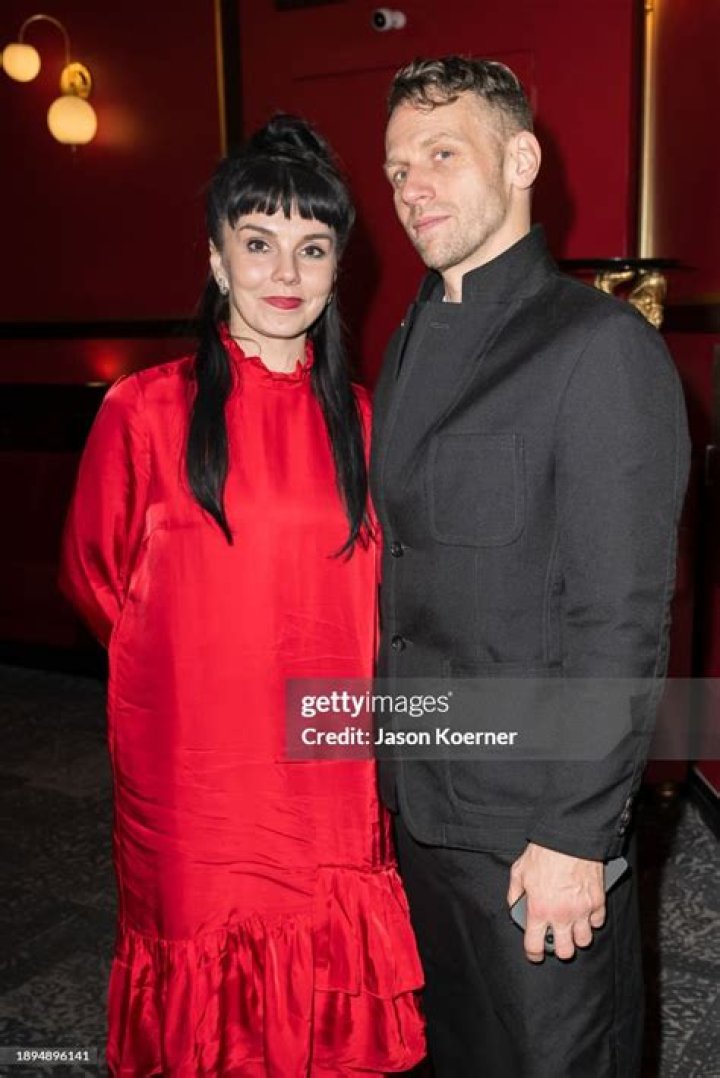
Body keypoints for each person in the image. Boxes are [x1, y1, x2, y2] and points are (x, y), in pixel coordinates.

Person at [60, 115, 425, 1078]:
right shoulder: (144, 410)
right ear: (217, 259)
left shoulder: (368, 423)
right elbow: (93, 578)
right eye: (258, 244)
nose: (285, 272)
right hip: (196, 773)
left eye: (313, 248)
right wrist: (189, 673)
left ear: (339, 268)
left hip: (327, 771)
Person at [370, 56, 690, 1076]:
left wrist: (575, 834)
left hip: (533, 829)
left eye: (441, 153)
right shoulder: (407, 341)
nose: (412, 186)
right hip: (422, 808)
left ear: (520, 160)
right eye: (397, 168)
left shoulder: (599, 348)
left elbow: (620, 618)